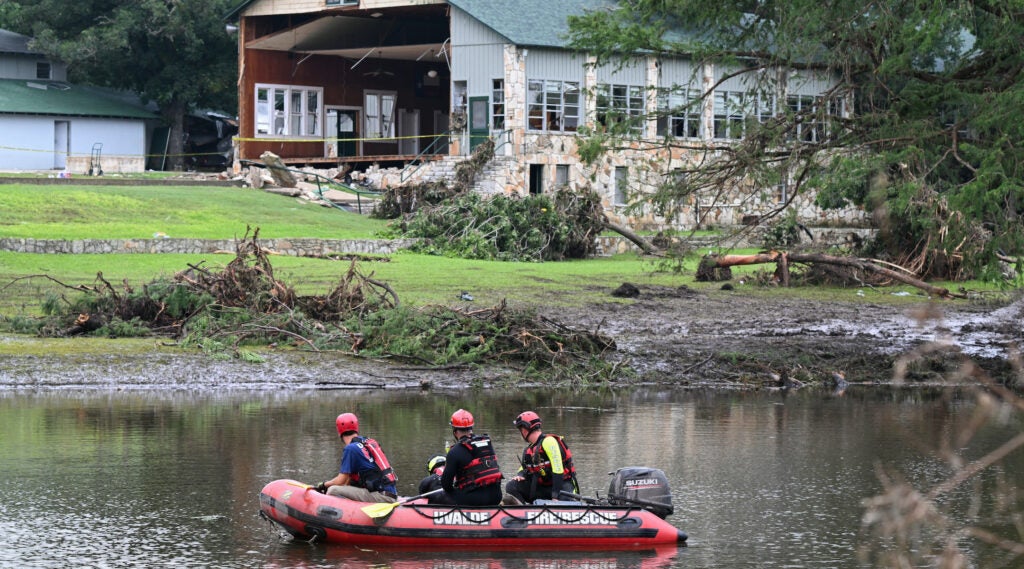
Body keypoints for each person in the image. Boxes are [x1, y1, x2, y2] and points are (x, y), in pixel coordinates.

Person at [314, 412, 398, 503]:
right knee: (341, 488)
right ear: (356, 428)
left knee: (333, 490)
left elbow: (340, 481)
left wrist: (323, 485)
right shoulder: (366, 442)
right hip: (390, 494)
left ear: (339, 432)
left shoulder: (350, 449)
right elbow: (347, 480)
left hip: (381, 497)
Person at [504, 410, 579, 505]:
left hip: (562, 488)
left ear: (524, 430)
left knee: (562, 502)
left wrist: (555, 497)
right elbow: (523, 468)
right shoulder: (529, 449)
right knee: (512, 486)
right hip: (543, 489)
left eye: (520, 430)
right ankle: (525, 513)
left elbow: (558, 469)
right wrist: (520, 475)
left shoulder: (549, 441)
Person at [431, 409, 503, 506]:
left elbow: (446, 486)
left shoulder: (454, 451)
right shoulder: (487, 443)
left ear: (455, 431)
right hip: (496, 497)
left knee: (437, 496)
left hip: (473, 500)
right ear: (471, 428)